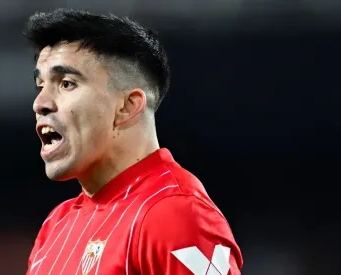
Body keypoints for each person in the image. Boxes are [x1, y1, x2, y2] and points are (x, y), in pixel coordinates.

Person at [25, 8, 243, 275]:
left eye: (67, 83)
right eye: (40, 86)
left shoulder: (174, 215)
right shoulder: (56, 227)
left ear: (127, 106)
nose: (40, 103)